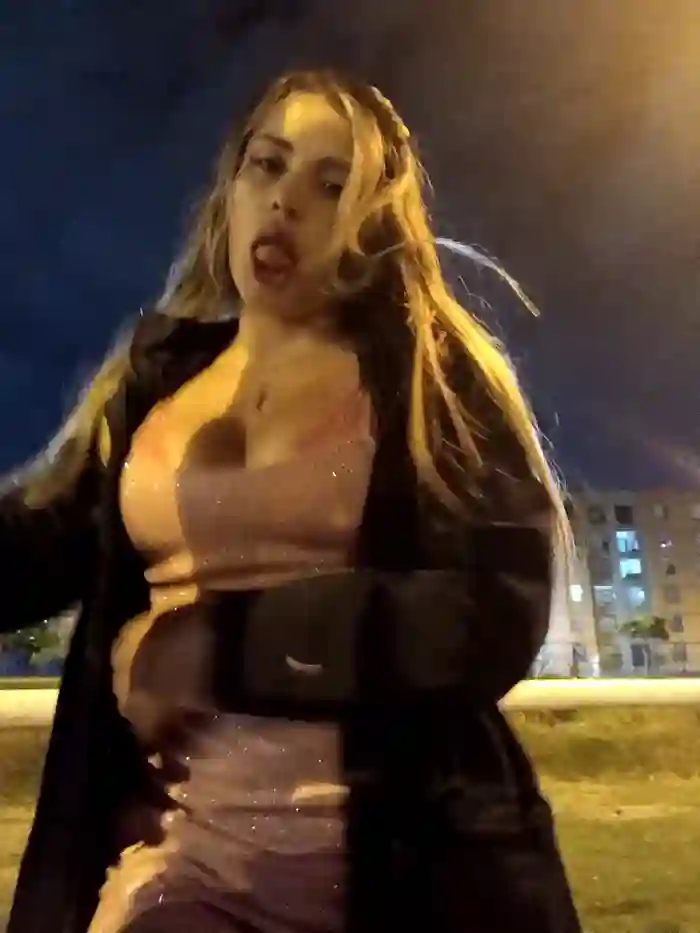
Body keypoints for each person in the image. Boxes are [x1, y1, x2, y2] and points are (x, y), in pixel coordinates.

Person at [3, 69, 581, 933]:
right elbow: (35, 545)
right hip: (174, 875)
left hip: (408, 882)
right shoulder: (153, 384)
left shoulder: (434, 381)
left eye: (331, 183)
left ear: (373, 222)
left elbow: (492, 611)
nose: (285, 202)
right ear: (230, 191)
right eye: (267, 166)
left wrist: (227, 645)